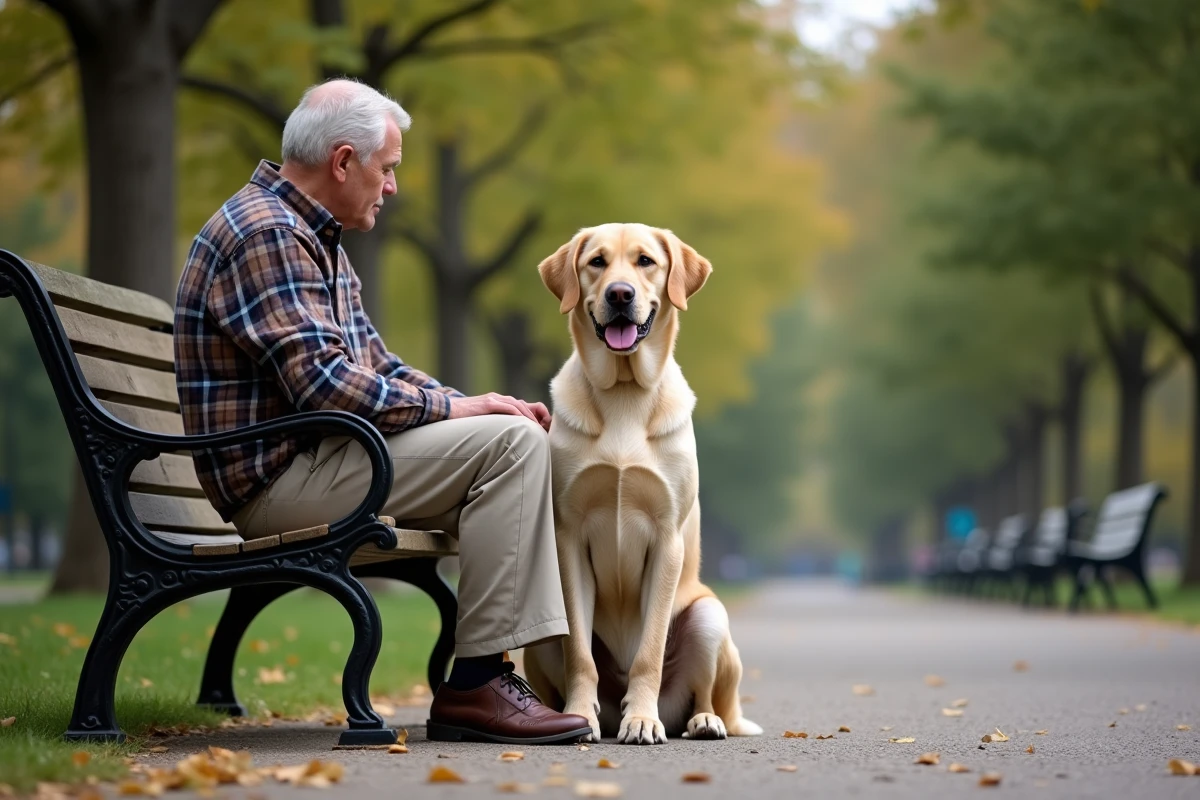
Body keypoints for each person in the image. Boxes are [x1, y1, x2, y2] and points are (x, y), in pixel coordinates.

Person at [174, 78, 590, 745]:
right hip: (281, 483)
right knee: (512, 449)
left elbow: (376, 366)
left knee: (509, 440)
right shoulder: (267, 234)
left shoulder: (312, 237)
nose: (392, 185)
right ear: (344, 161)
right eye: (387, 168)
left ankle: (497, 676)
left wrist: (468, 404)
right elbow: (327, 385)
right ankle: (479, 685)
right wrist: (464, 411)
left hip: (319, 461)